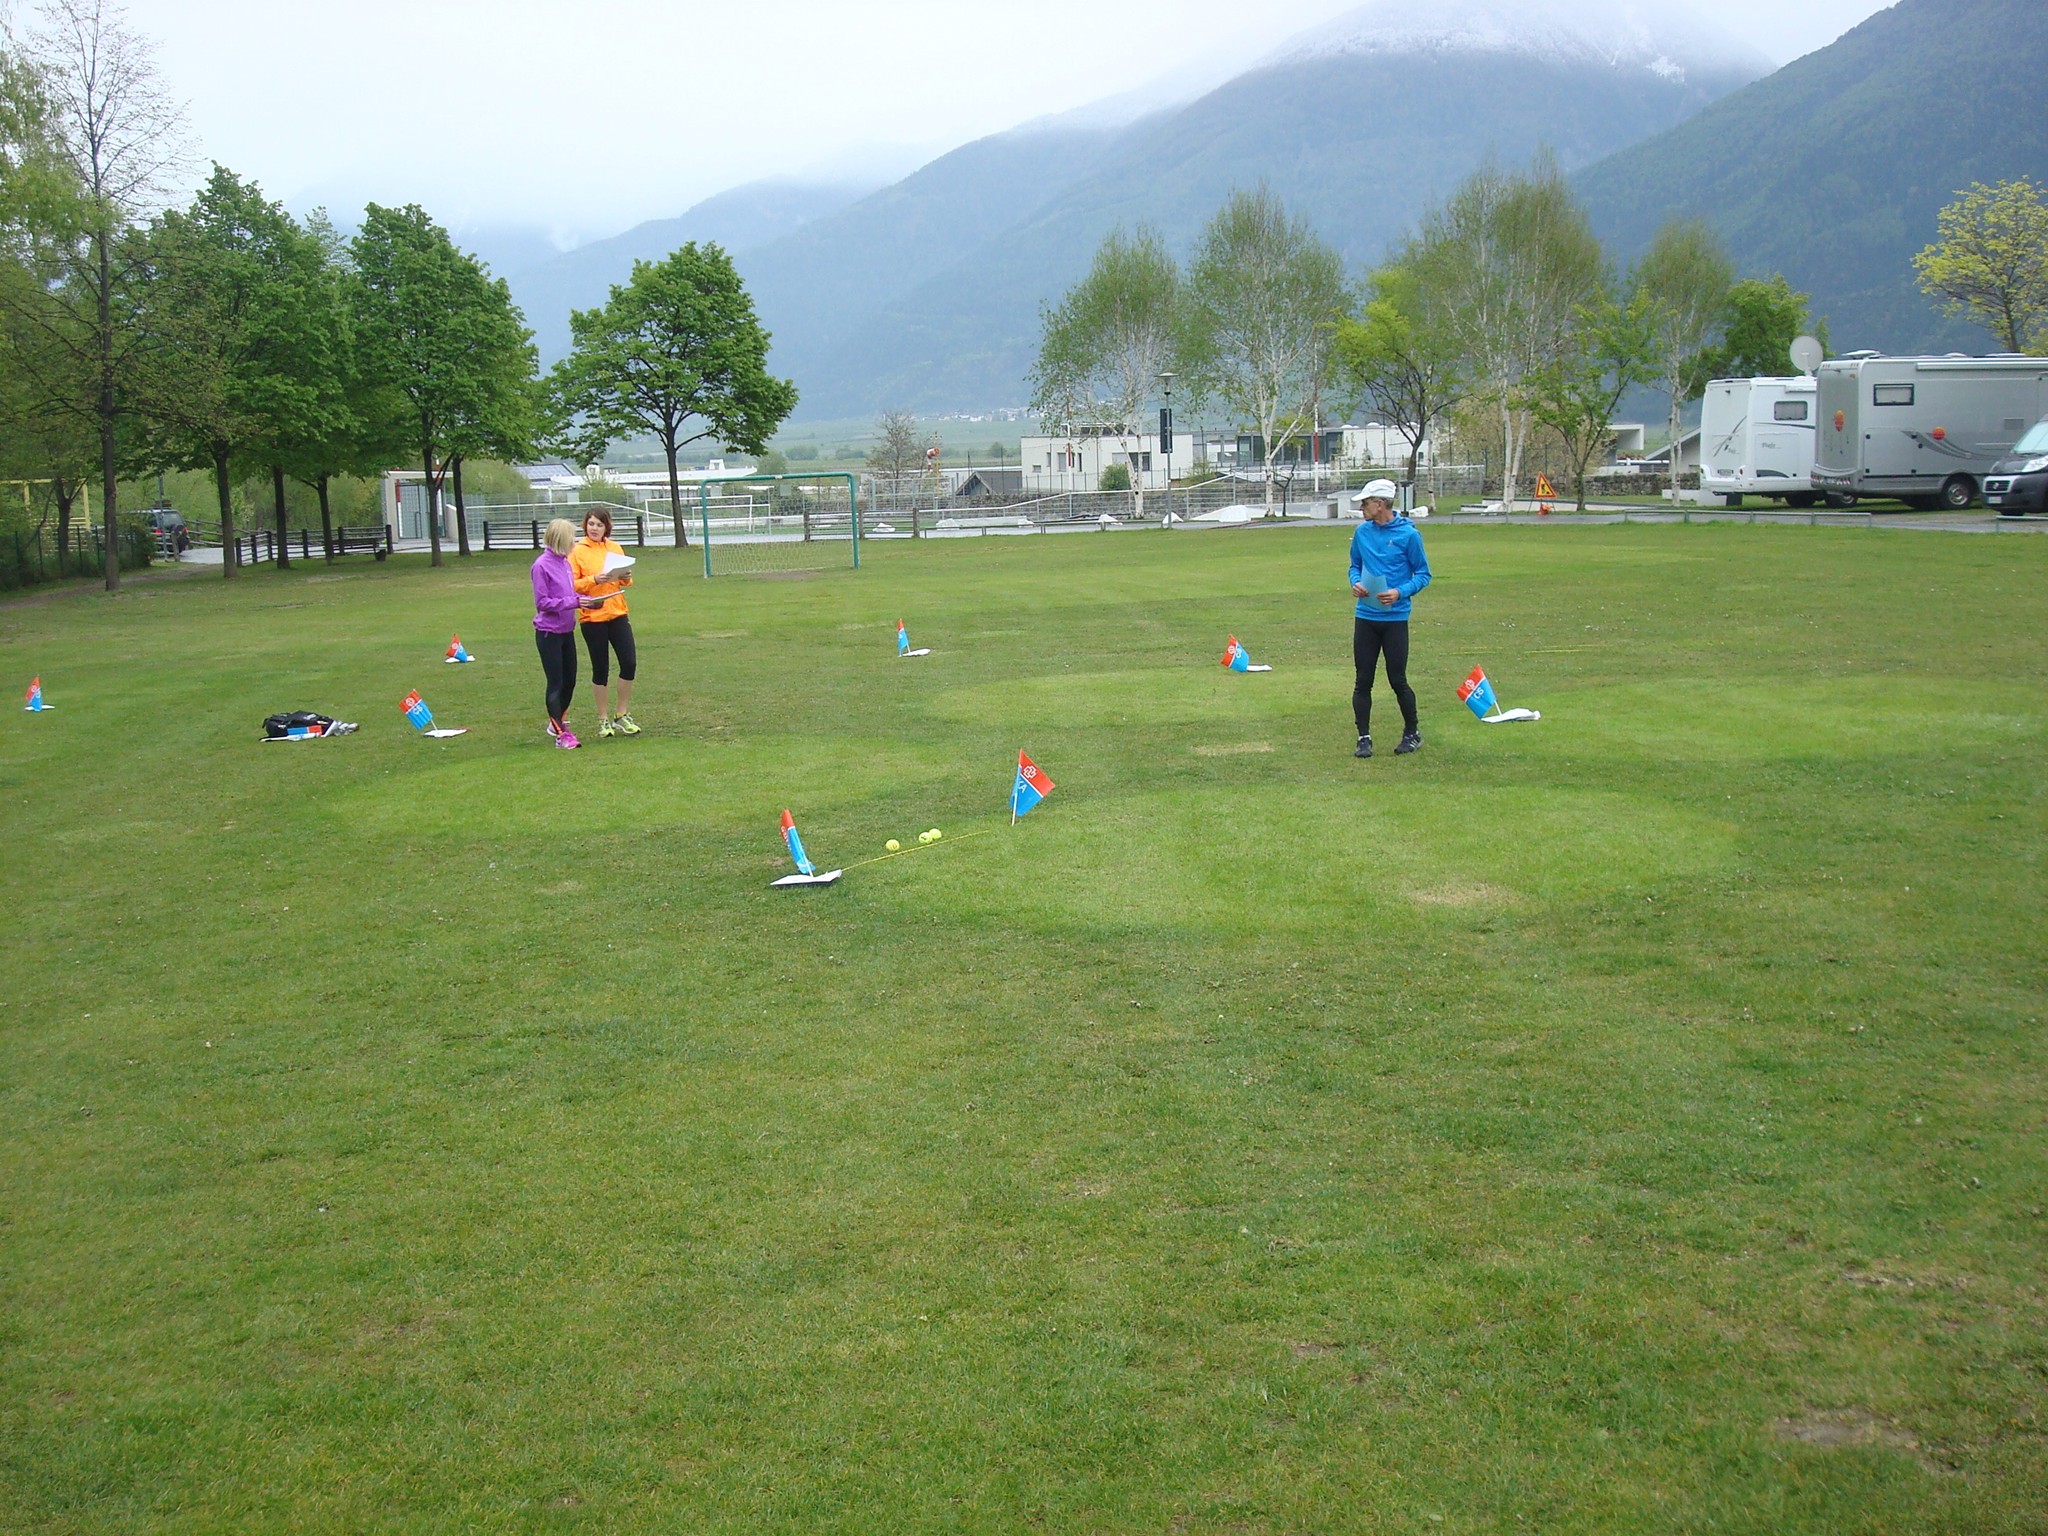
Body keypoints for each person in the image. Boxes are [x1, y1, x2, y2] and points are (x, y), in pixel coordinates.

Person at [1347, 478, 1431, 759]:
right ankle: (1363, 737)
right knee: (1363, 680)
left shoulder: (1409, 535)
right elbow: (1354, 566)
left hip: (1395, 619)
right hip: (1366, 616)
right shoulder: (1362, 533)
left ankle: (1412, 732)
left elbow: (1423, 574)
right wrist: (1356, 582)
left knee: (1397, 678)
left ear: (1380, 504)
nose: (1361, 507)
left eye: (1365, 503)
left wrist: (1400, 592)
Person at [532, 518, 606, 749]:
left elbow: (570, 594)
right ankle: (561, 734)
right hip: (548, 633)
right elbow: (543, 602)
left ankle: (558, 722)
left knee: (570, 681)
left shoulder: (564, 563)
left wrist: (587, 602)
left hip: (566, 631)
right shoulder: (541, 565)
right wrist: (573, 602)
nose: (574, 541)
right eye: (571, 537)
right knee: (556, 682)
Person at [569, 508, 640, 738]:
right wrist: (593, 580)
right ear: (585, 526)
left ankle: (622, 714)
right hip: (593, 616)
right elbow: (572, 584)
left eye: (599, 524)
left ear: (606, 527)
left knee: (629, 663)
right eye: (591, 524)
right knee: (601, 669)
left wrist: (626, 577)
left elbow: (624, 581)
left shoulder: (614, 547)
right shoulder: (577, 551)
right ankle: (603, 719)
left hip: (617, 611)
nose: (594, 528)